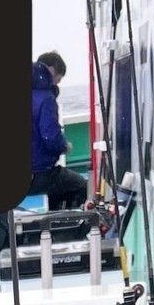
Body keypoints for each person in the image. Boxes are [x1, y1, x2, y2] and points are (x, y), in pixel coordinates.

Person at [29, 52, 89, 211]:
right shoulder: (45, 97)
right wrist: (65, 146)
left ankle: (52, 220)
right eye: (58, 78)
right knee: (80, 185)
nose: (56, 83)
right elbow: (50, 138)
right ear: (52, 69)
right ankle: (61, 223)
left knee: (58, 182)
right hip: (36, 174)